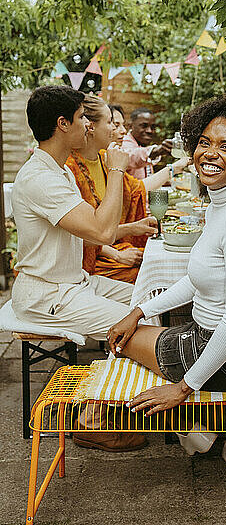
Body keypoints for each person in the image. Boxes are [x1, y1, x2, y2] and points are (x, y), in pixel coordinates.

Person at [107, 96, 226, 476]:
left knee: (120, 342)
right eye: (205, 142)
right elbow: (196, 280)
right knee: (139, 325)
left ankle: (197, 428)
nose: (210, 153)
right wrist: (140, 310)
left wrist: (182, 389)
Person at [11, 85, 147, 452]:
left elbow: (85, 232)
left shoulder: (57, 171)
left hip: (76, 282)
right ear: (62, 124)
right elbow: (100, 228)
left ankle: (135, 403)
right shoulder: (41, 179)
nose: (87, 125)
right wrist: (116, 170)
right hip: (48, 294)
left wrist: (129, 230)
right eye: (81, 118)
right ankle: (90, 419)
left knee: (152, 302)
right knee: (135, 327)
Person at [66, 97, 190, 283]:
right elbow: (78, 235)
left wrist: (135, 227)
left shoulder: (104, 158)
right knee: (155, 276)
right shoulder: (71, 168)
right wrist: (116, 253)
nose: (119, 131)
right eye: (111, 123)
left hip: (111, 246)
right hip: (86, 262)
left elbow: (137, 189)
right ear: (90, 127)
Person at [122, 107, 173, 178]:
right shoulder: (124, 143)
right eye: (144, 126)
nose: (149, 131)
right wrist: (155, 151)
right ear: (130, 126)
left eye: (153, 127)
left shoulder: (141, 144)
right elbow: (133, 157)